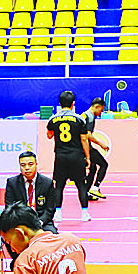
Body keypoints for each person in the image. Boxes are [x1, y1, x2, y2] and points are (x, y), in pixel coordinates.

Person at [46, 90, 94, 223]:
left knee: (59, 186)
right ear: (73, 104)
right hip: (76, 156)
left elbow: (49, 135)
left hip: (61, 156)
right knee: (81, 185)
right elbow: (84, 139)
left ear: (60, 103)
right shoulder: (79, 119)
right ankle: (84, 213)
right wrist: (88, 157)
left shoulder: (53, 119)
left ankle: (58, 214)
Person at [3, 151, 58, 230]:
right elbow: (9, 207)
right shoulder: (12, 183)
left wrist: (40, 222)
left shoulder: (47, 183)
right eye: (23, 165)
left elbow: (50, 209)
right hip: (19, 222)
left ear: (36, 164)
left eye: (30, 164)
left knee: (53, 234)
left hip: (42, 221)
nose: (27, 168)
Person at [85, 98, 110, 200]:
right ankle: (95, 188)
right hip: (86, 147)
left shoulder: (84, 115)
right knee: (104, 165)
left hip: (82, 147)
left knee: (93, 168)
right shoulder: (90, 117)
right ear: (97, 106)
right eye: (101, 110)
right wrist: (100, 143)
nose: (100, 113)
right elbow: (87, 134)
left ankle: (86, 193)